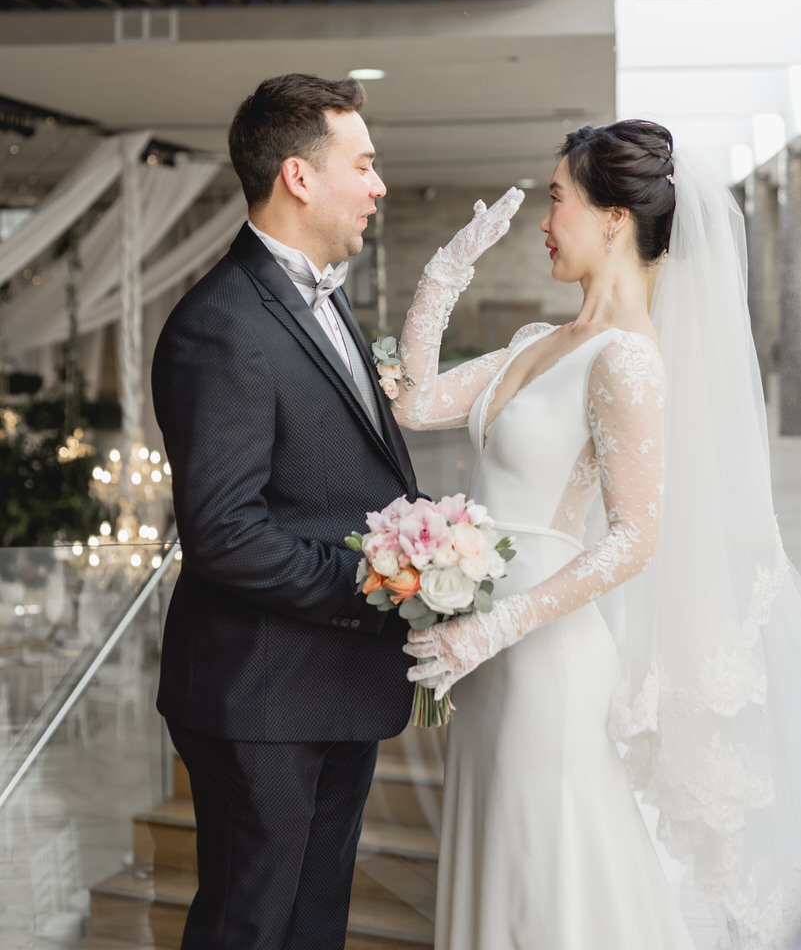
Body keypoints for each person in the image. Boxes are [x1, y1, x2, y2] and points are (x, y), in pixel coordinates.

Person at [394, 120, 801, 949]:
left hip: (541, 660)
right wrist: (444, 272)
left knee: (548, 876)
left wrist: (491, 629)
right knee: (499, 866)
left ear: (614, 219)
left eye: (556, 200)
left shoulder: (628, 359)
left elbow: (633, 538)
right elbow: (415, 402)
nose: (544, 223)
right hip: (482, 661)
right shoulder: (538, 343)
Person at [151, 73, 419, 950]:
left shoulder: (328, 297)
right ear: (299, 177)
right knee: (250, 927)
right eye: (363, 164)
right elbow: (224, 534)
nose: (378, 185)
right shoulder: (220, 322)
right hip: (261, 697)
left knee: (311, 925)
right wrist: (377, 582)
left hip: (332, 684)